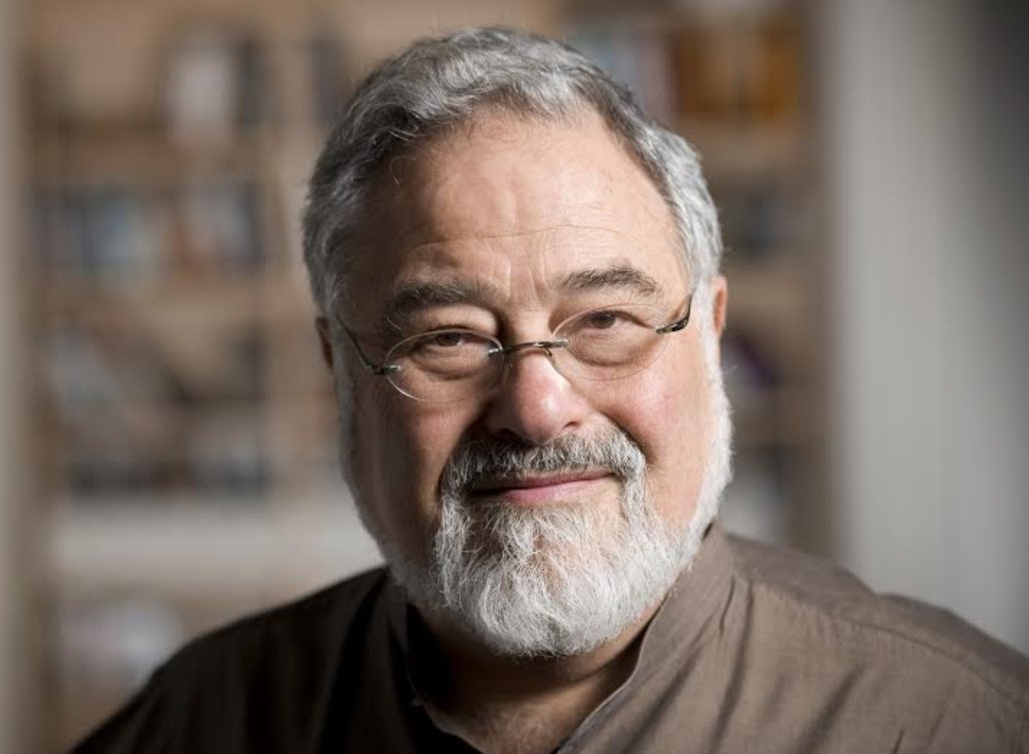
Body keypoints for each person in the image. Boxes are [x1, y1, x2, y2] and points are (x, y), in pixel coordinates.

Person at [74, 26, 1029, 753]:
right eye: (449, 337)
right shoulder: (206, 720)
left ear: (710, 334)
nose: (536, 408)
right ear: (341, 372)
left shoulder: (949, 722)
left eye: (606, 321)